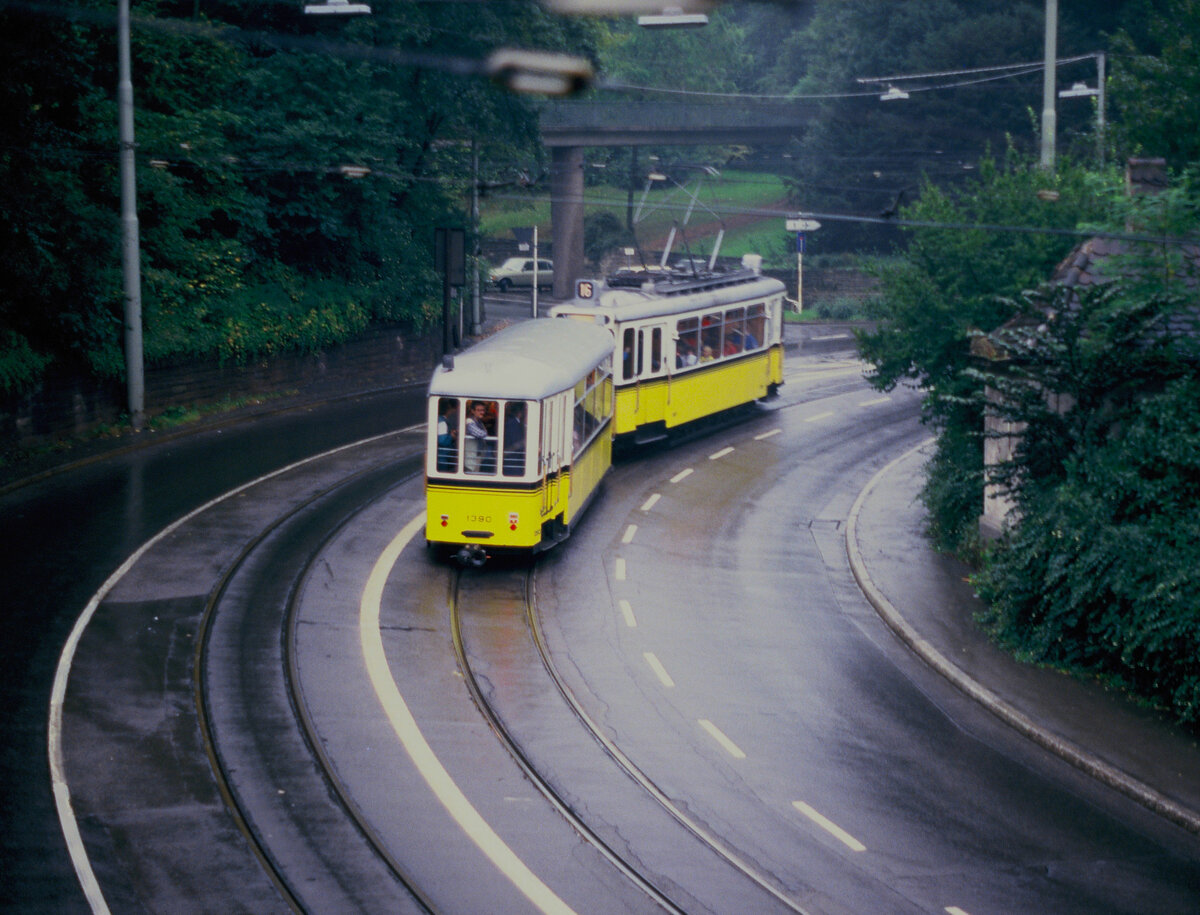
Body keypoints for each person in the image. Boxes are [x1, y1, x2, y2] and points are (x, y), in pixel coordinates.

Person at [464, 400, 492, 472]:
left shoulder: (479, 422)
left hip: (477, 457)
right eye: (479, 410)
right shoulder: (469, 421)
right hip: (470, 458)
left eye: (483, 410)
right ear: (472, 411)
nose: (482, 412)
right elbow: (480, 434)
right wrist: (485, 433)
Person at [503, 402, 526, 476]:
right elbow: (515, 442)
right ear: (520, 412)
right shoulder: (512, 424)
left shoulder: (515, 423)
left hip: (514, 460)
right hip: (513, 462)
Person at [436, 400, 458, 471]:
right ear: (448, 410)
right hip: (442, 457)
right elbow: (442, 441)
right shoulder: (442, 422)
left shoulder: (439, 419)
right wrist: (452, 436)